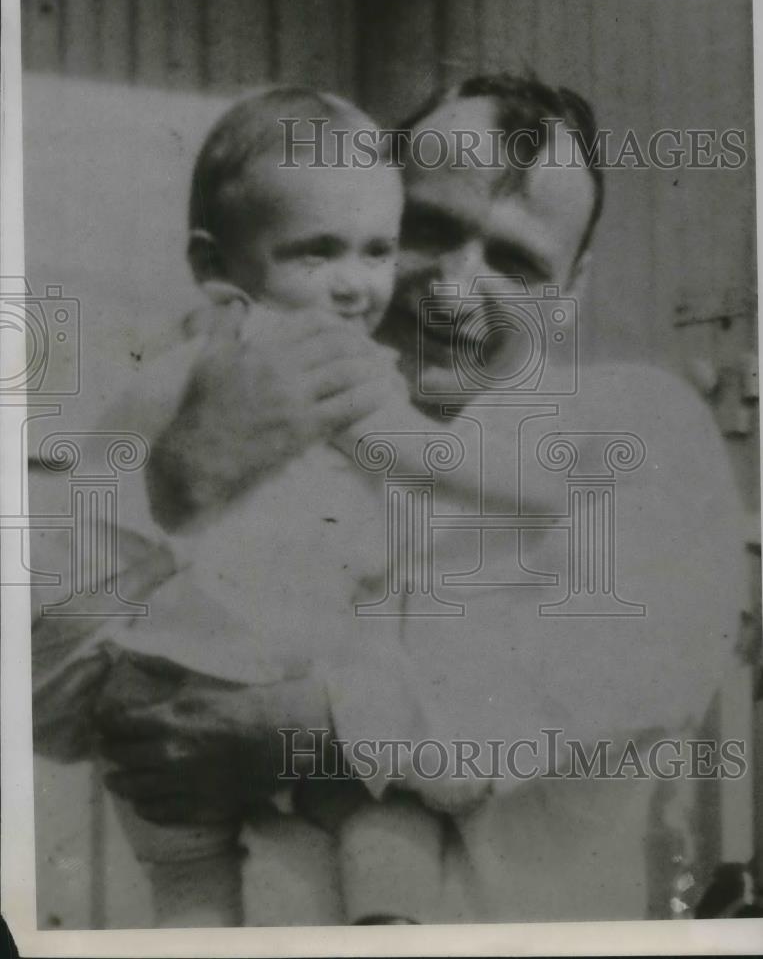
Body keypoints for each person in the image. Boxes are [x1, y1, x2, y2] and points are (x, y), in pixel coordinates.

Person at [92, 73, 743, 922]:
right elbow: (45, 682)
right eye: (427, 229)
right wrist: (175, 479)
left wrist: (295, 731)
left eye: (513, 259)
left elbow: (587, 677)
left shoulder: (630, 427)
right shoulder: (225, 403)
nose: (452, 288)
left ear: (571, 287)